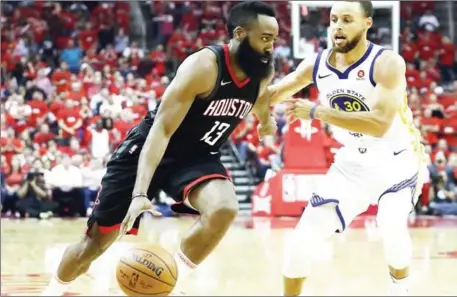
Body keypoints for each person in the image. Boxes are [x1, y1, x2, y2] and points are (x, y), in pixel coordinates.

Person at [41, 2, 278, 295]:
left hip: (197, 156)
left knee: (225, 208)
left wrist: (266, 122)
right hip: (147, 150)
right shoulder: (204, 67)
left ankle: (172, 285)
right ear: (240, 34)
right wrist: (140, 194)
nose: (271, 46)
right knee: (93, 247)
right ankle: (51, 290)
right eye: (265, 38)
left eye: (274, 39)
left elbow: (262, 97)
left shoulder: (262, 72)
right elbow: (161, 131)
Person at [266, 1, 426, 296]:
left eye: (347, 19)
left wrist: (318, 113)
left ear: (367, 23)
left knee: (390, 224)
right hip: (351, 163)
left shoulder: (387, 62)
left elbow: (378, 123)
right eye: (334, 19)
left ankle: (400, 288)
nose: (337, 26)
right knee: (302, 239)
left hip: (396, 159)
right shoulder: (317, 63)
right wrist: (230, 92)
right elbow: (274, 93)